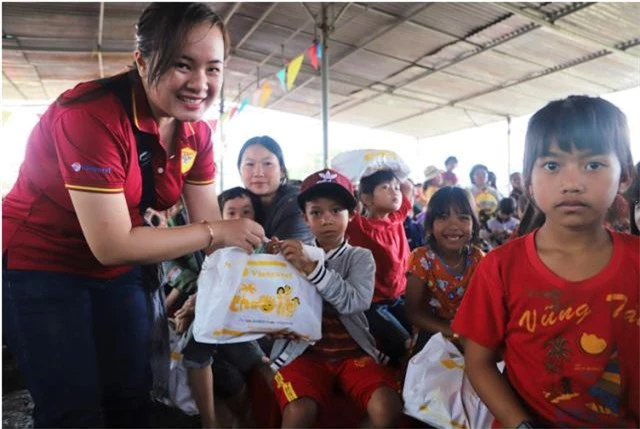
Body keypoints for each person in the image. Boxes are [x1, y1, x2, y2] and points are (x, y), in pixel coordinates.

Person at [2, 4, 265, 427]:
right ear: (142, 61)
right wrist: (217, 232)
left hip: (120, 269)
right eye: (183, 65)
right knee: (73, 409)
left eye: (213, 69)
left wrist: (259, 301)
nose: (200, 84)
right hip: (43, 264)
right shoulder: (91, 115)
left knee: (131, 395)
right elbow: (113, 244)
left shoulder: (196, 132)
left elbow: (213, 235)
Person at [452, 95, 639, 428]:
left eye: (593, 164)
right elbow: (478, 361)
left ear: (624, 176)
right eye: (552, 165)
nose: (571, 184)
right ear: (528, 180)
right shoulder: (499, 268)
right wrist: (519, 424)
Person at [269, 169, 402, 428]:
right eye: (316, 212)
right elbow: (274, 305)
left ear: (352, 215)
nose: (327, 219)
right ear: (304, 218)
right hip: (304, 355)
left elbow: (355, 302)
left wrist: (313, 270)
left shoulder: (360, 257)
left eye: (336, 210)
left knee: (387, 406)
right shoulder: (291, 256)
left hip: (352, 354)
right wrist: (271, 261)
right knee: (298, 412)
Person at [176, 186, 267, 429]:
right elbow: (203, 287)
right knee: (197, 351)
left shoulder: (265, 250)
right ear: (220, 218)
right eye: (231, 213)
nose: (239, 220)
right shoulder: (212, 251)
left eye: (247, 212)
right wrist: (194, 304)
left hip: (250, 325)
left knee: (255, 364)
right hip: (217, 323)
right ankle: (210, 421)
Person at [405, 187, 484, 354]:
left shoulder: (478, 258)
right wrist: (454, 333)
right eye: (443, 217)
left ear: (474, 224)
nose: (453, 226)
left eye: (463, 218)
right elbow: (413, 311)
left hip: (470, 332)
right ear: (430, 224)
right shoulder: (421, 259)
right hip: (432, 332)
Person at [347, 169, 413, 366]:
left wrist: (388, 167)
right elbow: (347, 200)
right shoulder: (359, 227)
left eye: (395, 187)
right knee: (404, 342)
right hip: (374, 303)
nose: (395, 192)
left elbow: (407, 186)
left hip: (399, 297)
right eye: (385, 187)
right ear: (366, 199)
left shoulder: (397, 219)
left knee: (422, 333)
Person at [237, 135, 313, 244]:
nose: (258, 173)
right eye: (250, 164)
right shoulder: (235, 202)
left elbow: (283, 254)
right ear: (240, 171)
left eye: (267, 163)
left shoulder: (297, 204)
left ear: (282, 171)